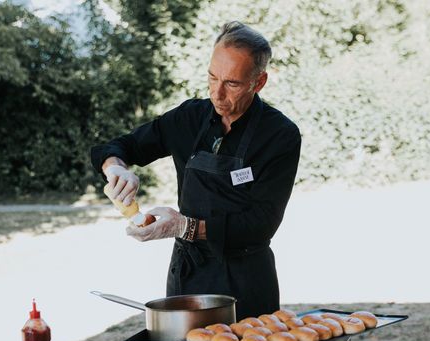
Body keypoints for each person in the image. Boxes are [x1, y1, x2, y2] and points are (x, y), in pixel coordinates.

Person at [91, 21, 301, 320]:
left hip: (245, 282)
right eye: (212, 77)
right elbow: (119, 146)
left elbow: (261, 223)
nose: (217, 93)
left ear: (259, 82)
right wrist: (116, 169)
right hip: (187, 277)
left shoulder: (280, 135)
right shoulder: (189, 118)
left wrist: (184, 227)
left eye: (232, 84)